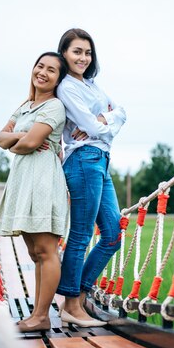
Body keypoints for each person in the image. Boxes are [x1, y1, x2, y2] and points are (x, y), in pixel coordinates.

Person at [55, 28, 127, 327]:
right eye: (76, 51)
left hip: (101, 160)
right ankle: (71, 305)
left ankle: (78, 296)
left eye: (87, 52)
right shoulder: (67, 88)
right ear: (64, 54)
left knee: (112, 235)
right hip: (83, 160)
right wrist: (101, 122)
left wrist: (103, 120)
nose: (83, 57)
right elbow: (92, 127)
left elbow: (122, 112)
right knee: (83, 234)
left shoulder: (94, 86)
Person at [0, 52, 69, 333]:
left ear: (58, 79)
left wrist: (17, 140)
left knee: (46, 249)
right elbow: (1, 138)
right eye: (40, 66)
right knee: (34, 251)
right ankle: (37, 313)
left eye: (52, 70)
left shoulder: (54, 107)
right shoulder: (25, 106)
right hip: (23, 180)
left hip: (43, 180)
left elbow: (30, 143)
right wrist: (18, 139)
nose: (43, 73)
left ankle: (41, 315)